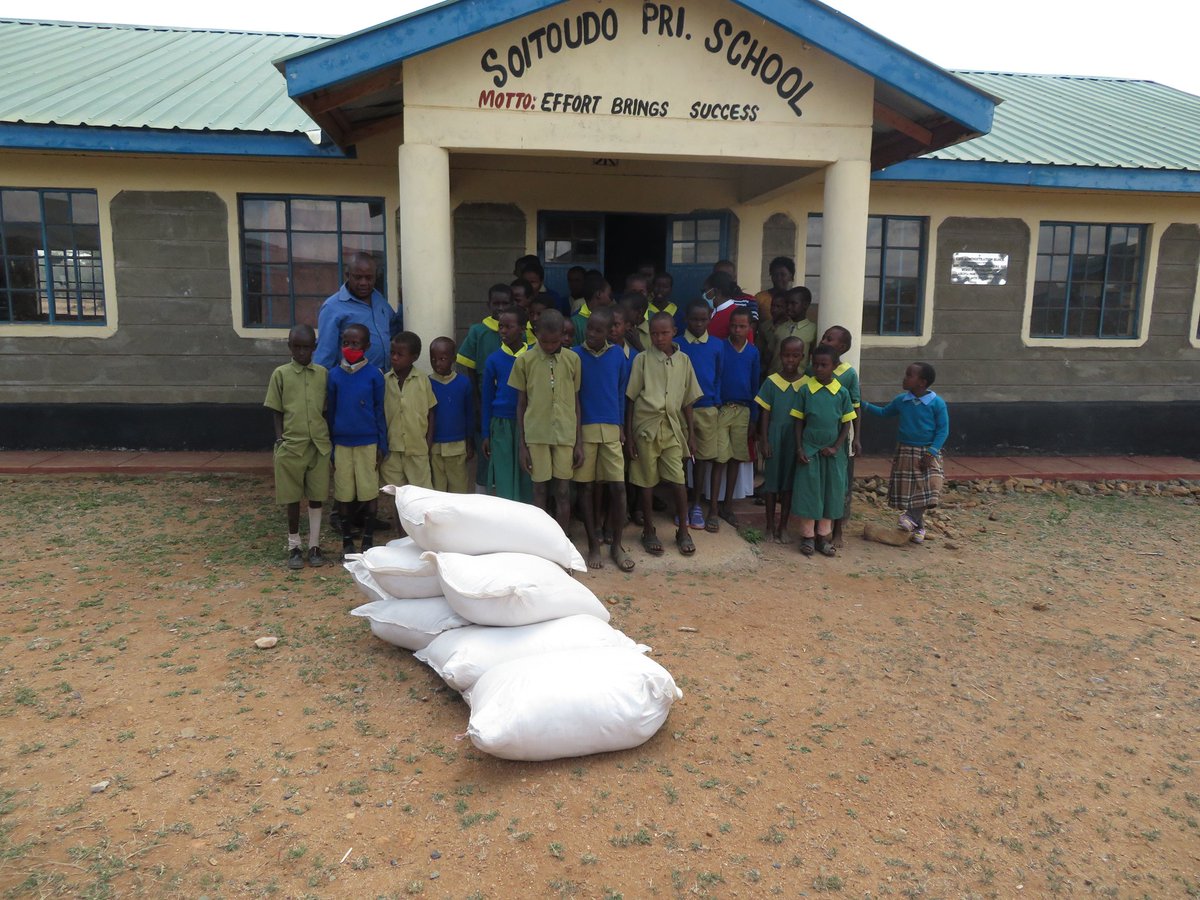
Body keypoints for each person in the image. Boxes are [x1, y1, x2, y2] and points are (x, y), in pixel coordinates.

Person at [627, 312, 702, 557]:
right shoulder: (642, 360)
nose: (659, 338)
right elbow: (631, 398)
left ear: (674, 331)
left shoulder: (684, 360)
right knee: (646, 481)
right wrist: (628, 434)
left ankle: (683, 530)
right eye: (655, 334)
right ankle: (649, 530)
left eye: (664, 333)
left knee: (678, 480)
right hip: (646, 427)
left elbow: (688, 400)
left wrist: (690, 433)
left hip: (672, 427)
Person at [571, 308, 634, 571]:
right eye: (589, 328)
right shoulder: (575, 355)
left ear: (611, 332)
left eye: (599, 330)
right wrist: (575, 438)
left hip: (610, 429)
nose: (592, 334)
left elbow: (621, 392)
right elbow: (573, 398)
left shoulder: (617, 355)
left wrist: (620, 425)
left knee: (618, 487)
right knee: (585, 487)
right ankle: (593, 544)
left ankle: (617, 545)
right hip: (584, 429)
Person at [264, 324, 330, 569]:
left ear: (314, 347)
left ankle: (314, 545)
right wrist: (280, 439)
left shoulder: (323, 374)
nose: (302, 352)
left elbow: (326, 409)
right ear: (290, 347)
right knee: (292, 498)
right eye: (297, 347)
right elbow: (276, 410)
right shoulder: (280, 374)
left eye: (307, 347)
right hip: (291, 446)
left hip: (319, 446)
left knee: (317, 496)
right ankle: (294, 545)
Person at [510, 309, 582, 533]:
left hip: (565, 435)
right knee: (539, 490)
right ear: (535, 334)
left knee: (563, 491)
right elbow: (521, 404)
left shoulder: (573, 360)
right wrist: (522, 445)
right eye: (544, 341)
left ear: (563, 334)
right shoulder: (525, 361)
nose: (549, 346)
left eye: (554, 341)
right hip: (536, 435)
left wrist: (578, 441)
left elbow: (576, 400)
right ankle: (541, 540)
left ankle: (561, 543)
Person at [862, 362, 949, 545]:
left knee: (929, 486)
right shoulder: (902, 401)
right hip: (905, 451)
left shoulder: (937, 403)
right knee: (912, 491)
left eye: (909, 375)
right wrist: (862, 404)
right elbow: (884, 412)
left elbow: (943, 430)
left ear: (922, 382)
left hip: (927, 452)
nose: (904, 378)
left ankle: (910, 517)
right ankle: (919, 526)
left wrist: (931, 452)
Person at [326, 324, 387, 557]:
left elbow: (379, 410)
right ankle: (347, 540)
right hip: (342, 443)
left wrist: (382, 444)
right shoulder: (334, 375)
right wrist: (332, 446)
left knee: (369, 490)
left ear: (367, 346)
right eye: (346, 343)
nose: (350, 347)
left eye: (355, 343)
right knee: (343, 492)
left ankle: (368, 538)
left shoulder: (374, 375)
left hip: (368, 442)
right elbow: (331, 412)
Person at [790, 344, 856, 557]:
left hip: (833, 452)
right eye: (815, 364)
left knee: (831, 491)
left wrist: (836, 446)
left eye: (824, 365)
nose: (818, 369)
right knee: (809, 491)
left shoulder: (842, 393)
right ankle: (807, 537)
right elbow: (798, 421)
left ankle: (823, 537)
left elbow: (846, 423)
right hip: (810, 448)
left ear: (834, 367)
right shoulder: (805, 390)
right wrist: (800, 447)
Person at [458, 283, 514, 489]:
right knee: (485, 452)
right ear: (488, 304)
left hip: (510, 404)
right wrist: (477, 402)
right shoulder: (478, 331)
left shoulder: (521, 330)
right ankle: (483, 495)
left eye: (505, 303)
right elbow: (470, 370)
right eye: (496, 303)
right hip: (484, 401)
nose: (500, 308)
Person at [709, 307, 760, 529]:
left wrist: (754, 418)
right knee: (719, 458)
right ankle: (712, 508)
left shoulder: (753, 352)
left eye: (742, 326)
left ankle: (727, 506)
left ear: (749, 328)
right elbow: (716, 376)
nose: (737, 330)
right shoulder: (720, 346)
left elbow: (755, 384)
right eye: (733, 326)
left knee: (735, 459)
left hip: (744, 410)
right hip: (722, 408)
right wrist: (717, 400)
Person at [755, 336, 806, 543]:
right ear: (780, 356)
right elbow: (765, 413)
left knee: (788, 484)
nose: (790, 360)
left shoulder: (805, 384)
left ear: (802, 357)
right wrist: (765, 441)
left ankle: (783, 526)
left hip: (795, 438)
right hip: (775, 434)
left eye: (795, 356)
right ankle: (769, 526)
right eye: (786, 355)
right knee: (772, 482)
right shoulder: (771, 382)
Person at [677, 299, 723, 531]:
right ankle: (682, 504)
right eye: (694, 319)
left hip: (707, 408)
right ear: (686, 320)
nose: (698, 324)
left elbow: (719, 376)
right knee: (682, 458)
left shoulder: (717, 345)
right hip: (680, 409)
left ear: (709, 320)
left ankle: (696, 504)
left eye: (703, 319)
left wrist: (716, 402)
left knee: (702, 458)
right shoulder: (676, 344)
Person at [314, 253, 401, 371]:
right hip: (352, 381)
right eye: (358, 277)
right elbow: (325, 355)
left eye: (369, 278)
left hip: (384, 379)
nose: (363, 282)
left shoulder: (379, 300)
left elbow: (394, 328)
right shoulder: (332, 307)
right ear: (347, 275)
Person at [817, 326, 863, 547]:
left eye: (829, 338)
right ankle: (817, 530)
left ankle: (837, 531)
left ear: (842, 348)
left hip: (838, 440)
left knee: (838, 484)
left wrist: (856, 437)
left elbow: (855, 407)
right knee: (817, 483)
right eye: (824, 336)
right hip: (815, 438)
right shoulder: (814, 368)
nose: (824, 340)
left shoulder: (848, 374)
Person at [481, 308, 532, 502]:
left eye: (509, 327)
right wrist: (486, 433)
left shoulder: (532, 356)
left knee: (526, 475)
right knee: (503, 476)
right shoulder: (493, 360)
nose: (503, 331)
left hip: (528, 424)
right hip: (501, 424)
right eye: (501, 326)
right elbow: (486, 399)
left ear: (522, 329)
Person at [381, 332, 436, 508]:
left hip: (417, 449)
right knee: (397, 497)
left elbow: (431, 412)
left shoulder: (423, 381)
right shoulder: (384, 381)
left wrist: (428, 443)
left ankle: (420, 534)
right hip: (392, 449)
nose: (394, 358)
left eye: (400, 354)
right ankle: (401, 533)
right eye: (392, 353)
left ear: (414, 357)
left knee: (421, 497)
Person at [427, 336, 475, 494]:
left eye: (442, 359)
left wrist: (469, 442)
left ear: (453, 359)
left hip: (457, 446)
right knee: (437, 489)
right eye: (433, 359)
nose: (437, 363)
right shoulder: (427, 383)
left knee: (458, 488)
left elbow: (469, 414)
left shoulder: (463, 383)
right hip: (434, 446)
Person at [768, 286, 817, 374]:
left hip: (800, 380)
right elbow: (770, 353)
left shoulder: (813, 330)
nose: (789, 307)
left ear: (805, 305)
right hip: (776, 378)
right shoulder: (779, 328)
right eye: (787, 304)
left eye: (793, 303)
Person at [572, 271, 613, 345]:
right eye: (609, 294)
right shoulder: (575, 322)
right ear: (599, 294)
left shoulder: (611, 316)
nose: (611, 299)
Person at [704, 270, 741, 339]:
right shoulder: (711, 312)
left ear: (715, 291)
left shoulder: (738, 314)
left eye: (705, 290)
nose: (704, 295)